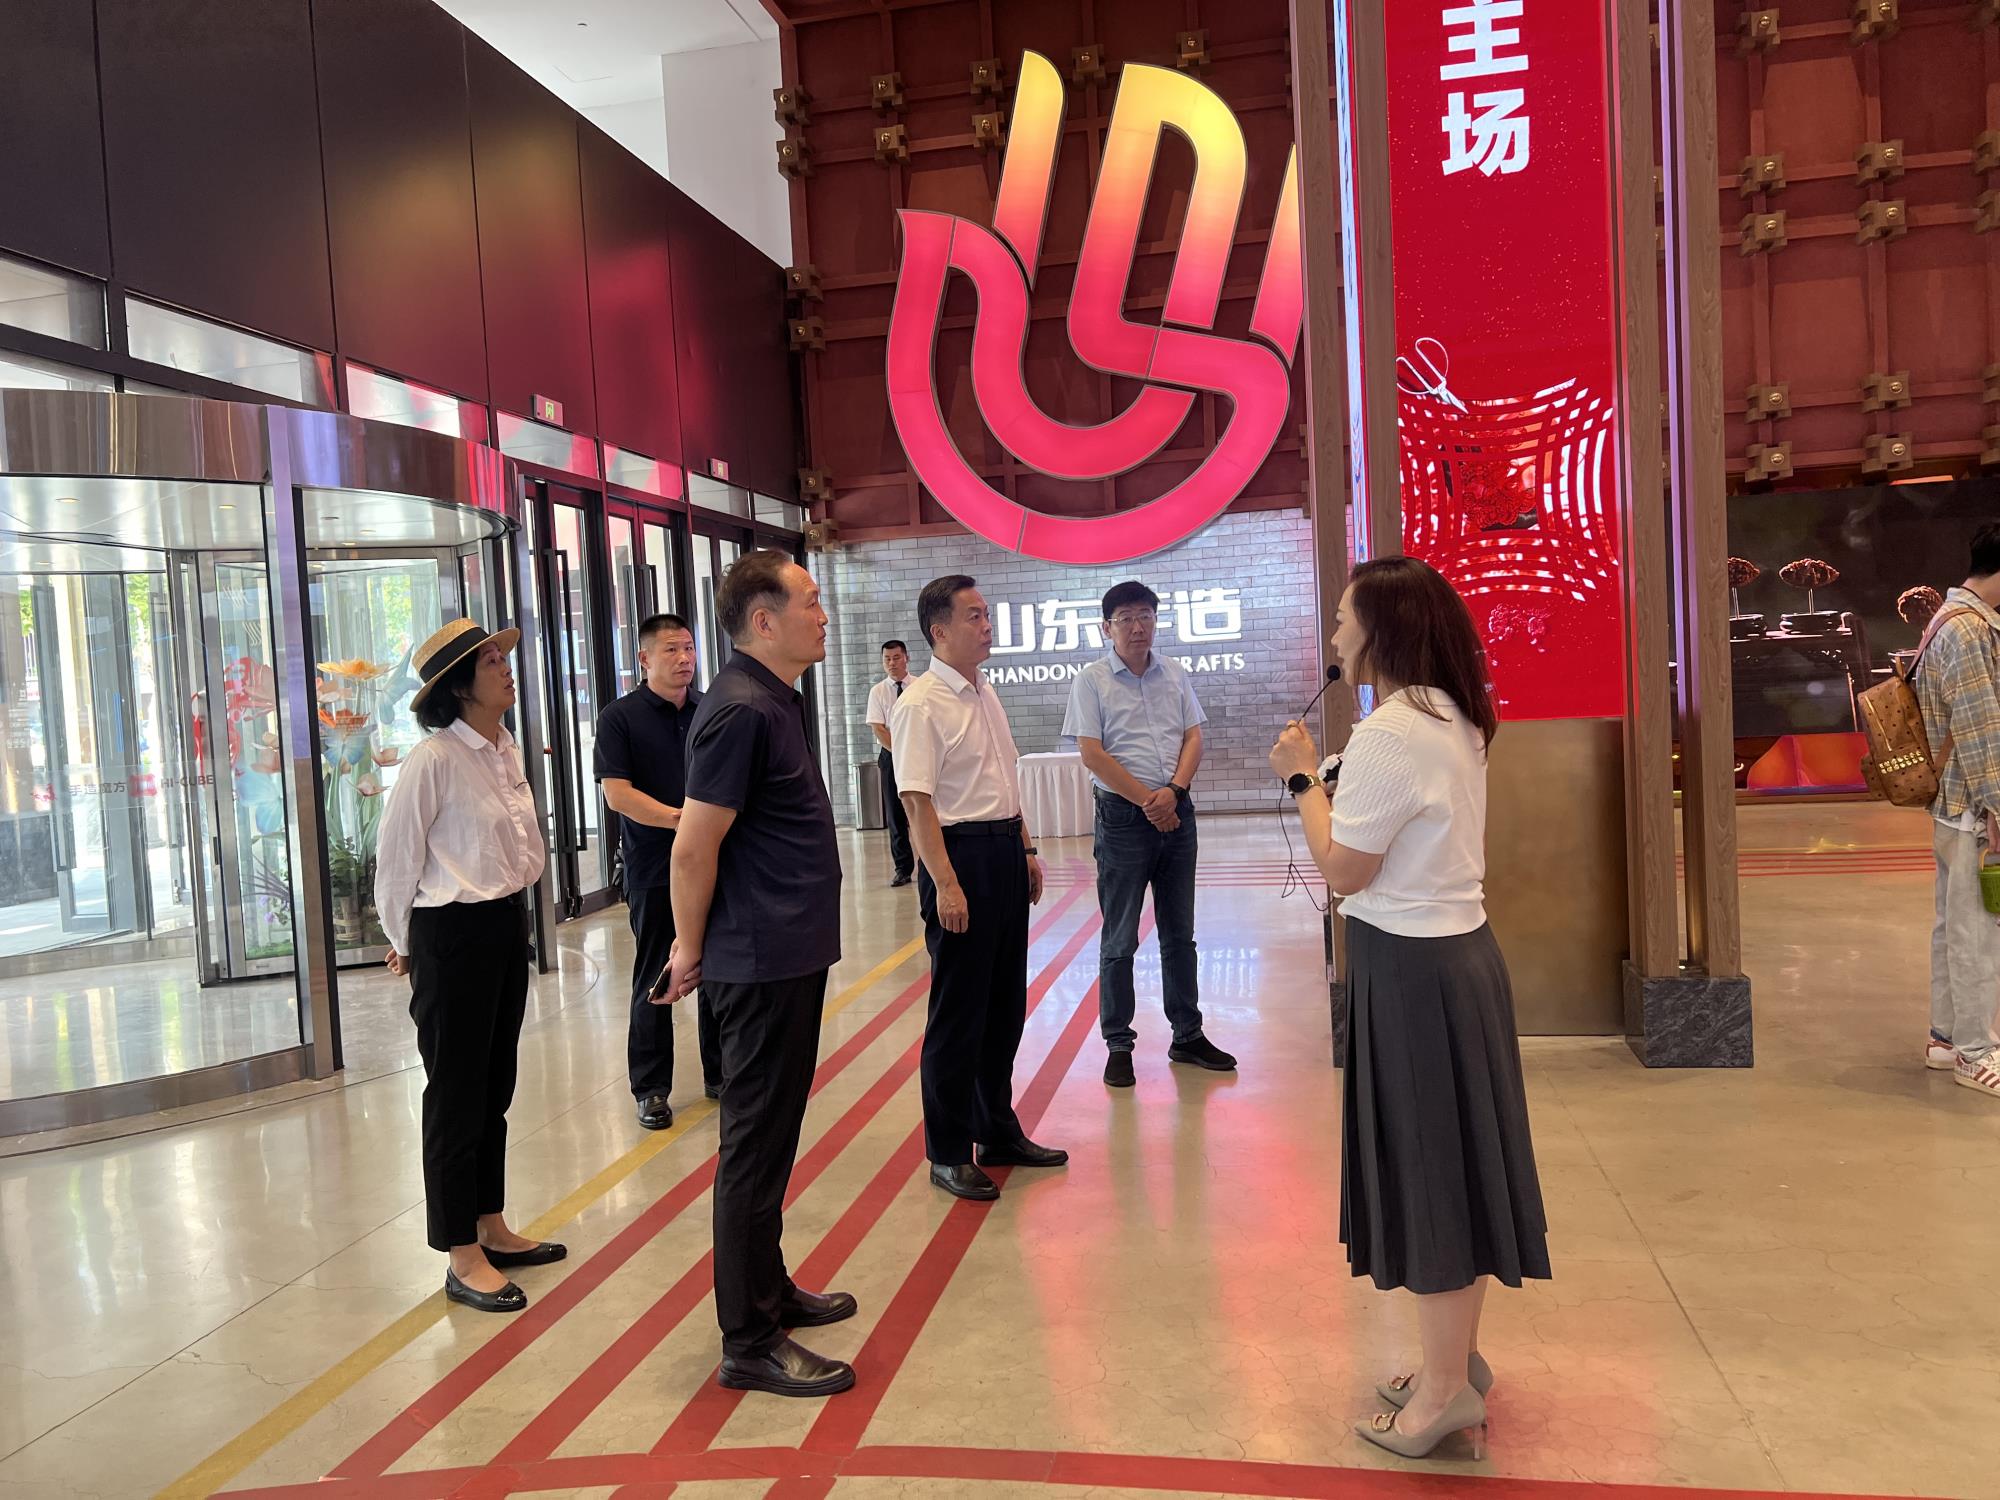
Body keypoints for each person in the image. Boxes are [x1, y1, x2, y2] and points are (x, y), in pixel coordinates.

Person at [1268, 556, 1548, 1460]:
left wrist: (1304, 781)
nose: (1335, 636)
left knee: (1430, 1177)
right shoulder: (1448, 712)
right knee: (1455, 1168)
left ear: (1383, 631)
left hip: (1412, 970)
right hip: (1457, 957)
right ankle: (1454, 1364)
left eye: (1344, 621)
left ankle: (1441, 1395)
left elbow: (1345, 870)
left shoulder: (1394, 730)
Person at [659, 549, 857, 1398]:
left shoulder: (776, 699)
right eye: (809, 601)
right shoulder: (740, 710)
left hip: (788, 953)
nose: (823, 614)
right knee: (752, 1148)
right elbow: (693, 846)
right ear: (764, 621)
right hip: (759, 960)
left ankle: (769, 1291)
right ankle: (749, 1340)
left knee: (773, 1141)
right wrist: (687, 947)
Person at [375, 618, 564, 1314]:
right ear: (458, 686)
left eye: (500, 657)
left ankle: (490, 1223)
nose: (505, 668)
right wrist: (407, 943)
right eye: (489, 662)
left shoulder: (503, 749)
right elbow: (396, 862)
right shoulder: (433, 760)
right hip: (449, 934)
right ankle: (460, 1252)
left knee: (494, 1087)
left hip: (502, 924)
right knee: (455, 1095)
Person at [891, 574, 1067, 1202]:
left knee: (1003, 1005)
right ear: (939, 631)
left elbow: (1004, 783)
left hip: (1002, 852)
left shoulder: (985, 693)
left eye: (986, 614)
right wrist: (946, 884)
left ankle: (996, 1129)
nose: (988, 626)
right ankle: (947, 1150)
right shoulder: (921, 704)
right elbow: (917, 802)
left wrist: (1026, 850)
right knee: (958, 1014)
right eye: (974, 616)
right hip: (958, 858)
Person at [1062, 580, 1235, 1088]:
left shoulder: (1174, 673)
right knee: (1119, 937)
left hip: (1176, 810)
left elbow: (1194, 736)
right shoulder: (1091, 681)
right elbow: (1092, 753)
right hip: (1123, 818)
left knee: (1180, 934)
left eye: (1145, 616)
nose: (1137, 627)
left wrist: (1174, 792)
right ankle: (1119, 1043)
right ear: (1106, 628)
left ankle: (1187, 1035)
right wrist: (1148, 801)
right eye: (1126, 618)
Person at [595, 612, 721, 1131]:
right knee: (656, 972)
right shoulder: (620, 717)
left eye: (689, 647)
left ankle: (722, 1073)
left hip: (716, 861)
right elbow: (617, 794)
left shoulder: (711, 710)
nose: (684, 658)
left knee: (718, 968)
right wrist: (681, 820)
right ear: (644, 658)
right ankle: (650, 1088)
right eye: (671, 649)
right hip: (653, 866)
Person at [1916, 521, 2000, 1097]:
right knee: (1976, 931)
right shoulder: (1970, 631)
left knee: (1954, 923)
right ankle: (1975, 1051)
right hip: (1973, 808)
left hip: (1953, 805)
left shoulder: (1947, 619)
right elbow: (1980, 731)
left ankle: (1946, 1039)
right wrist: (1999, 807)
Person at [864, 639, 917, 887]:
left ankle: (932, 864)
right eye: (887, 659)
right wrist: (900, 752)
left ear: (906, 658)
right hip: (891, 755)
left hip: (919, 753)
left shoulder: (920, 686)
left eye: (896, 657)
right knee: (895, 815)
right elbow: (878, 728)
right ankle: (903, 868)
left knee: (925, 810)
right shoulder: (878, 691)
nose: (892, 663)